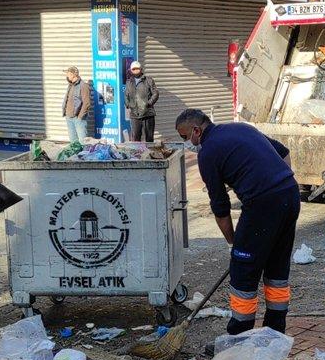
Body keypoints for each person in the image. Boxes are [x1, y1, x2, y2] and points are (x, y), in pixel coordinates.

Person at [175, 109, 300, 334]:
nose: (186, 143)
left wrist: (234, 244)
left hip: (263, 204)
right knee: (277, 267)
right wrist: (275, 180)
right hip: (290, 194)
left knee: (243, 271)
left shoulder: (208, 153)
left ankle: (239, 336)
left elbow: (220, 207)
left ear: (196, 130)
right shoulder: (240, 128)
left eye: (185, 137)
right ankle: (274, 332)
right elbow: (283, 153)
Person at [125, 60, 158, 142]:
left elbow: (156, 93)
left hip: (147, 114)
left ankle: (150, 154)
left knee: (149, 138)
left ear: (141, 69)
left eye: (137, 69)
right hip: (135, 115)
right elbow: (126, 95)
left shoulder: (149, 80)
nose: (136, 70)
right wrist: (128, 104)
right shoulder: (129, 82)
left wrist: (149, 103)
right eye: (134, 69)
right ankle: (137, 154)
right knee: (136, 138)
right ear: (131, 70)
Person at [61, 66, 92, 143]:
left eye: (68, 74)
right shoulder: (70, 85)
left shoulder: (83, 86)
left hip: (78, 119)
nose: (67, 76)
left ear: (73, 75)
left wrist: (80, 117)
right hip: (69, 117)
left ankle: (83, 155)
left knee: (83, 142)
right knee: (73, 143)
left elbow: (87, 103)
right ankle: (76, 155)